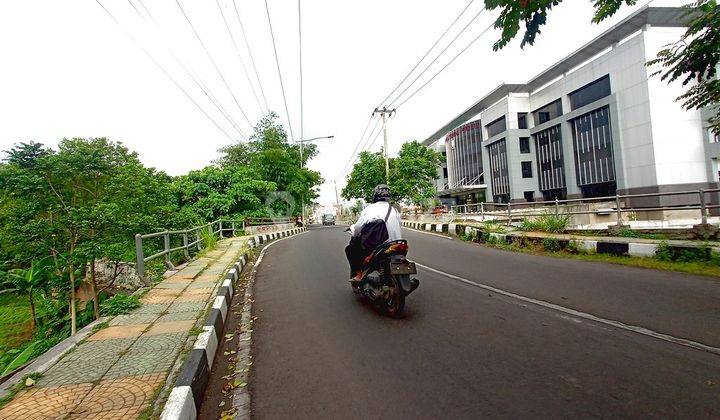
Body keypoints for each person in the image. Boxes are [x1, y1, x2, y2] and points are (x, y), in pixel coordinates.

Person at [345, 184, 402, 282]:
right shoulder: (394, 210)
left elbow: (358, 227)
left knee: (350, 249)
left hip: (379, 246)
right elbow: (399, 225)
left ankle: (359, 274)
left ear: (375, 195)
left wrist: (352, 228)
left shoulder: (370, 209)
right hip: (396, 243)